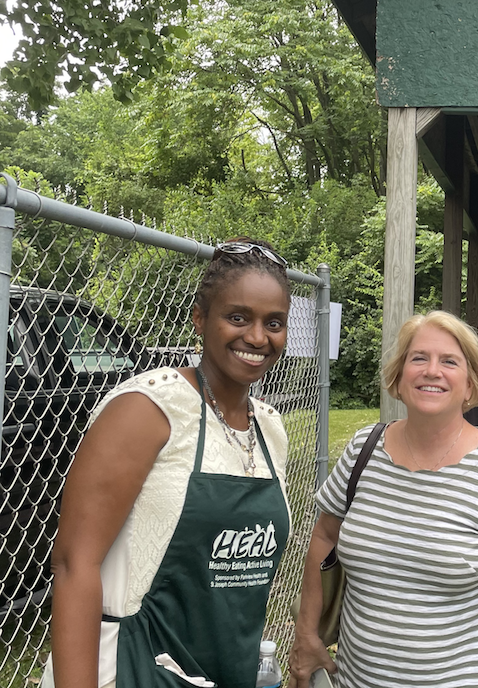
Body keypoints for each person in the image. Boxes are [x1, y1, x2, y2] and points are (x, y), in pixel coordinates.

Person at [43, 239, 293, 688]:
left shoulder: (271, 429)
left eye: (273, 323)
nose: (257, 337)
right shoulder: (149, 409)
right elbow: (73, 564)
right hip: (130, 669)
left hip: (225, 671)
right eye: (237, 317)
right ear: (200, 319)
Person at [288, 311, 478, 688]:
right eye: (419, 358)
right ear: (399, 374)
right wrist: (307, 633)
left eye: (449, 361)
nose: (431, 371)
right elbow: (325, 537)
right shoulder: (364, 448)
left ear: (472, 383)